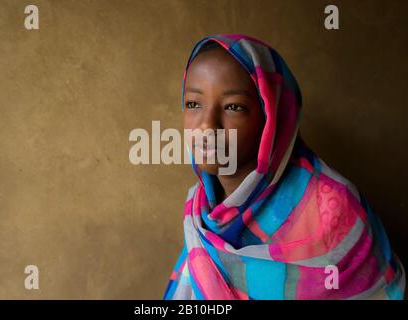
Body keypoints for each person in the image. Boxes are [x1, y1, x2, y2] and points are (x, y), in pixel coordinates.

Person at [162, 33, 405, 300]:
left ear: (273, 116)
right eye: (193, 104)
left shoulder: (333, 208)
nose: (207, 125)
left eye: (234, 107)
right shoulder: (201, 209)